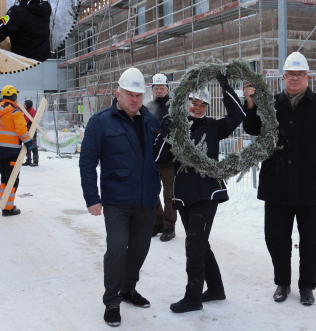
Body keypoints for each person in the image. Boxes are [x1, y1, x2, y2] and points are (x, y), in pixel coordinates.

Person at [242, 51, 316, 306]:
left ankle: (307, 286)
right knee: (276, 238)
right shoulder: (270, 105)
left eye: (300, 74)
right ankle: (282, 282)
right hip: (276, 183)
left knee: (311, 241)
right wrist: (250, 104)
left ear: (307, 77)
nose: (295, 78)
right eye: (290, 74)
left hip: (309, 184)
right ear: (283, 77)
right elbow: (252, 128)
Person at [154, 76, 246, 314]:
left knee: (194, 245)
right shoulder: (177, 128)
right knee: (200, 244)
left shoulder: (213, 127)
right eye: (193, 103)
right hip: (184, 195)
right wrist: (166, 133)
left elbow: (238, 116)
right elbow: (160, 158)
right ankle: (216, 289)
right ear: (185, 104)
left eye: (202, 104)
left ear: (207, 107)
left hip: (207, 193)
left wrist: (225, 87)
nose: (196, 107)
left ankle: (193, 297)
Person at [79, 67, 161, 328]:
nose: (134, 100)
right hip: (117, 200)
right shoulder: (101, 122)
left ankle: (128, 289)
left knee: (140, 248)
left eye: (138, 95)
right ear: (118, 94)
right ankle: (112, 300)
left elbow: (161, 155)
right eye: (129, 94)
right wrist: (92, 198)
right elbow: (87, 162)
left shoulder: (150, 121)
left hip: (147, 199)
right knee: (117, 247)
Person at [0, 85, 34, 217]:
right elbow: (22, 131)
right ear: (14, 97)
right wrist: (29, 143)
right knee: (12, 180)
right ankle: (8, 208)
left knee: (4, 178)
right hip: (12, 153)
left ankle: (4, 203)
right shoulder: (15, 112)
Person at [146, 73, 176, 242]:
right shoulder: (148, 108)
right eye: (156, 88)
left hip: (169, 159)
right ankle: (157, 222)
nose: (158, 91)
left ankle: (169, 226)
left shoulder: (173, 108)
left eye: (161, 88)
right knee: (152, 192)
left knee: (169, 194)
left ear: (167, 89)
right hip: (151, 158)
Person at [22, 99, 39, 167]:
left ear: (28, 104)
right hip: (26, 131)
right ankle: (28, 160)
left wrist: (29, 127)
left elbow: (35, 122)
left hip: (32, 131)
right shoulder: (26, 112)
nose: (23, 105)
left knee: (33, 146)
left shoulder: (33, 112)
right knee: (27, 145)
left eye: (24, 104)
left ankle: (35, 161)